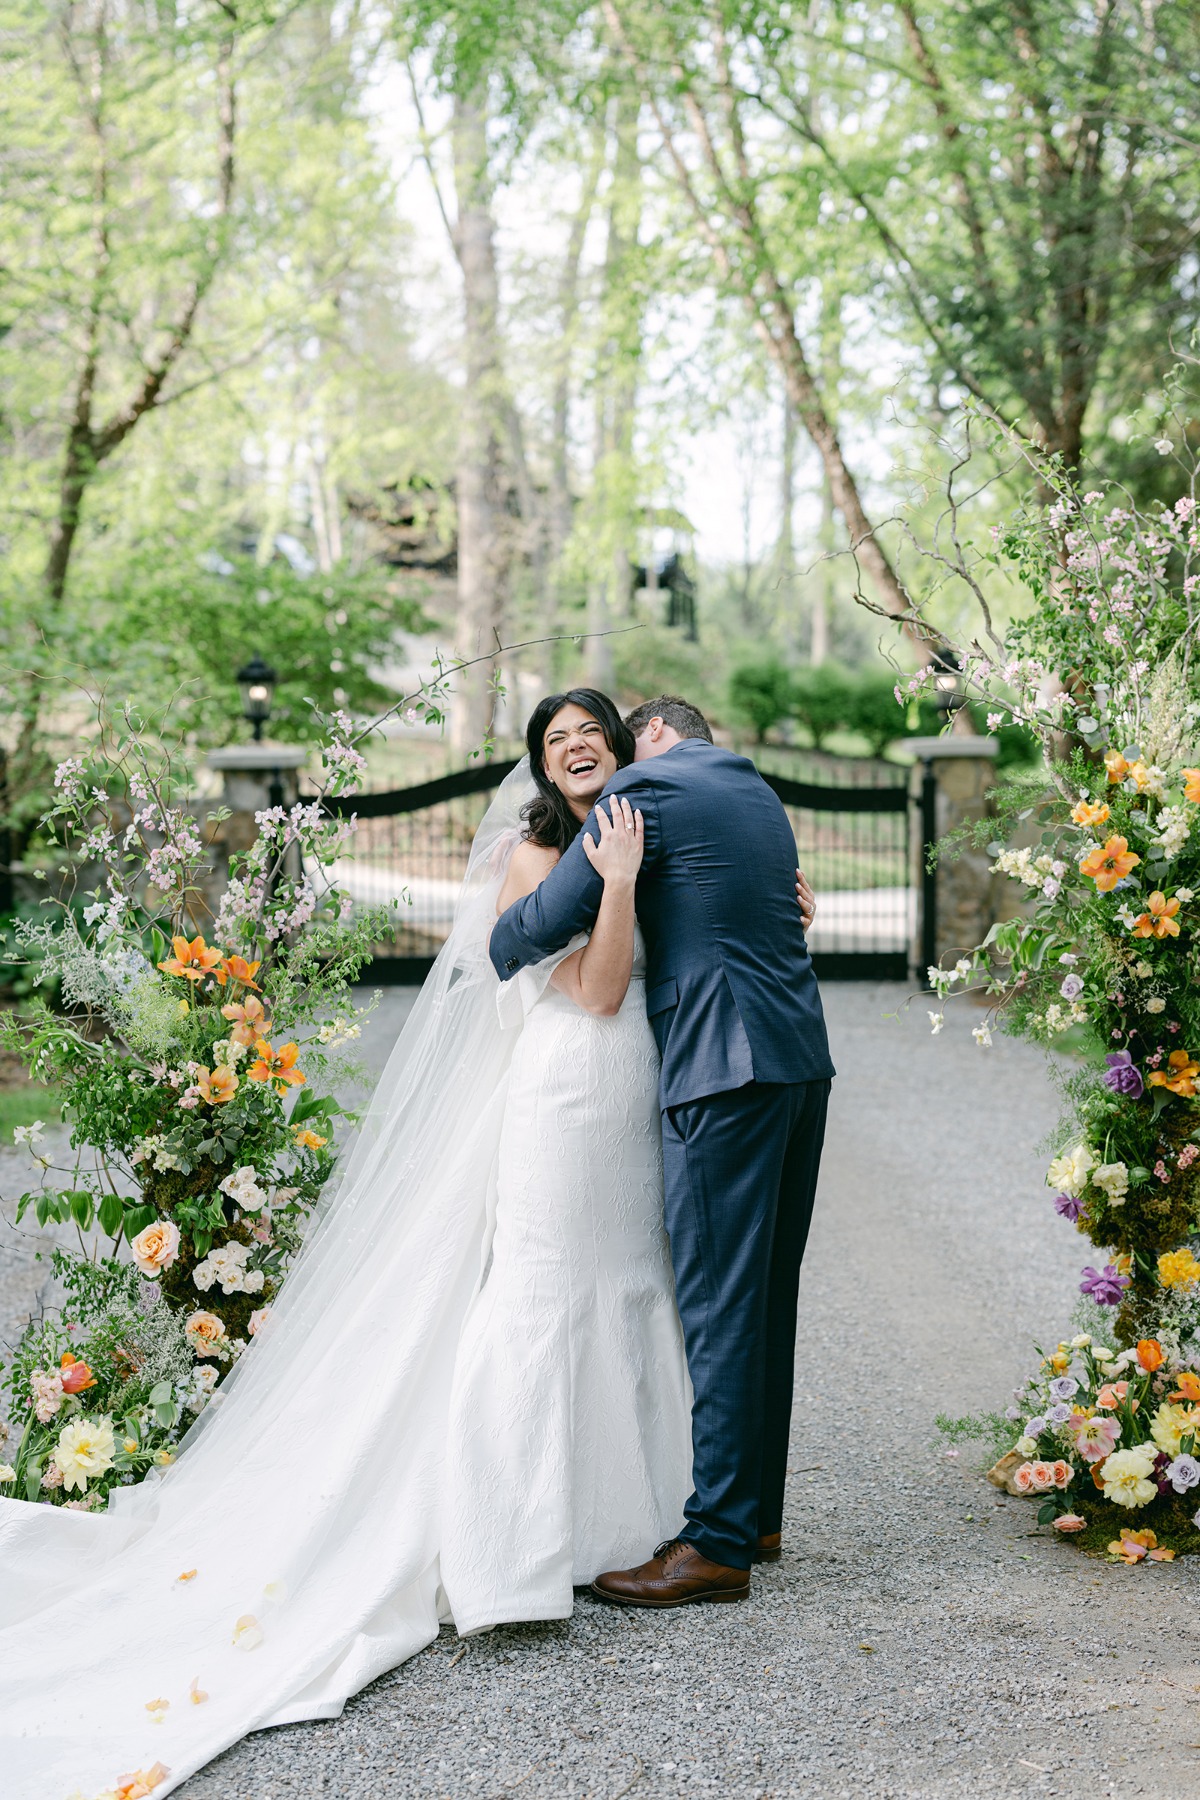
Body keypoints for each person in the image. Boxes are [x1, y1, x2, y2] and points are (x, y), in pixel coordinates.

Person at [490, 694, 835, 1608]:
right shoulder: (752, 791)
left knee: (718, 1302)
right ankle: (754, 1510)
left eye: (600, 736)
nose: (588, 751)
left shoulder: (648, 788)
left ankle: (718, 1543)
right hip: (799, 1063)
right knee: (766, 1295)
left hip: (725, 1071)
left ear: (643, 740)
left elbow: (530, 926)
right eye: (558, 739)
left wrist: (513, 930)